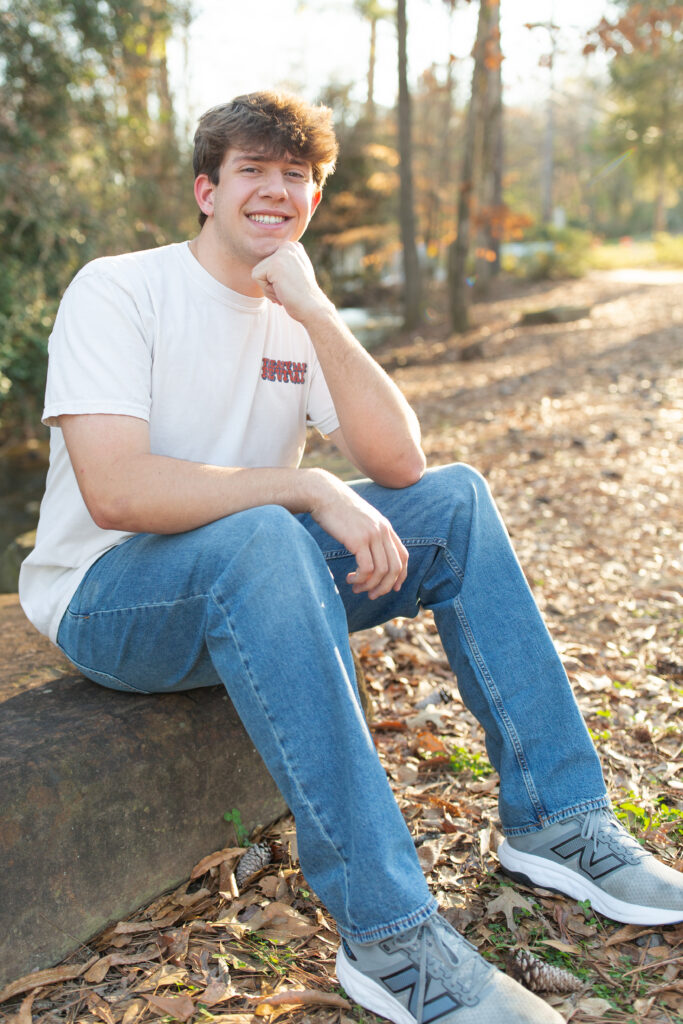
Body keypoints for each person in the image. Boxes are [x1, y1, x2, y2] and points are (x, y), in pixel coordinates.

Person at [20, 91, 682, 1024]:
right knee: (265, 530)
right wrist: (307, 487)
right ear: (206, 190)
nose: (274, 190)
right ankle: (390, 935)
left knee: (452, 500)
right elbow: (117, 491)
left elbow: (401, 463)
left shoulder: (294, 309)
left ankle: (558, 820)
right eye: (252, 170)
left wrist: (316, 310)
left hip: (256, 577)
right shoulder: (119, 288)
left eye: (295, 176)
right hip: (112, 598)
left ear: (314, 199)